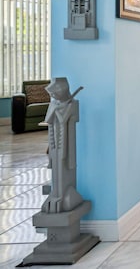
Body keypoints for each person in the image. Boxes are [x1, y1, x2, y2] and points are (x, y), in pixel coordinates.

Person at [42, 78, 84, 213]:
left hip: (65, 143)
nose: (53, 97)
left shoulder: (71, 104)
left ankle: (62, 195)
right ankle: (56, 194)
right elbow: (48, 119)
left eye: (55, 94)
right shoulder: (54, 104)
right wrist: (57, 108)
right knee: (56, 163)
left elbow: (64, 118)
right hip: (54, 141)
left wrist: (62, 109)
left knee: (64, 163)